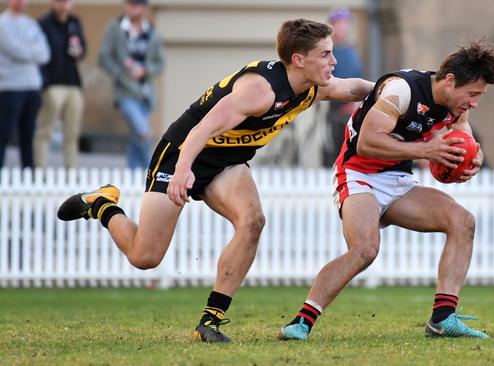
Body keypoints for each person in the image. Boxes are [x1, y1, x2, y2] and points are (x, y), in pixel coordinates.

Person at [57, 19, 374, 343]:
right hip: (182, 153)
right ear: (298, 60)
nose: (333, 61)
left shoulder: (311, 88)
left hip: (225, 162)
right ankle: (102, 205)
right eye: (325, 54)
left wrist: (392, 90)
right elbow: (201, 130)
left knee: (252, 221)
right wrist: (183, 170)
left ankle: (210, 321)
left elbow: (351, 88)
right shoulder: (259, 91)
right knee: (145, 256)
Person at [279, 40, 494, 341]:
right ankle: (301, 322)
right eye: (474, 94)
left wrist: (472, 155)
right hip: (358, 174)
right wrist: (427, 150)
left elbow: (461, 132)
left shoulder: (455, 105)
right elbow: (367, 142)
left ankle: (443, 318)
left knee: (462, 221)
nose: (475, 103)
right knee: (365, 249)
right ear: (450, 80)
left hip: (398, 179)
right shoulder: (401, 90)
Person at [98, 0, 164, 169]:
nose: (135, 8)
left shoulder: (151, 32)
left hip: (145, 93)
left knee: (137, 137)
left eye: (139, 4)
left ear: (145, 7)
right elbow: (104, 58)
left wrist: (145, 70)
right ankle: (152, 171)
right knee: (143, 133)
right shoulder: (115, 28)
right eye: (132, 4)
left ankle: (133, 176)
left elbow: (160, 63)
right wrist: (121, 73)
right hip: (125, 92)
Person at [34, 0, 86, 168]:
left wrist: (79, 50)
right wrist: (45, 83)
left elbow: (83, 49)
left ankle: (71, 172)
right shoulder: (43, 24)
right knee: (45, 130)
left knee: (72, 133)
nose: (63, 5)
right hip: (53, 84)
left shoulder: (74, 22)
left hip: (73, 84)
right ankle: (40, 171)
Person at [0, 0, 50, 169]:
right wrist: (32, 51)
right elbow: (15, 50)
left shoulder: (30, 24)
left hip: (32, 86)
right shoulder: (3, 24)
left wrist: (30, 51)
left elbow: (44, 53)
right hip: (10, 87)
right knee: (4, 133)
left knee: (28, 135)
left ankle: (28, 173)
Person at [322, 7, 364, 166]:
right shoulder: (329, 51)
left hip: (352, 108)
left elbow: (357, 76)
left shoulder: (351, 51)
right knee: (335, 149)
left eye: (344, 24)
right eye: (338, 24)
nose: (342, 27)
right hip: (335, 108)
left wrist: (354, 103)